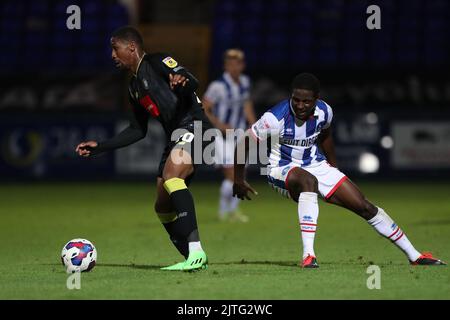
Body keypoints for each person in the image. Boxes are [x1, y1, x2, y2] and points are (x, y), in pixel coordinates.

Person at [232, 73, 446, 268]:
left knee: (365, 207)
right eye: (296, 99)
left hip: (316, 165)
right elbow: (243, 143)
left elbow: (325, 136)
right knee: (308, 182)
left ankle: (415, 255)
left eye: (306, 101)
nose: (300, 105)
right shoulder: (274, 118)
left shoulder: (325, 111)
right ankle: (309, 255)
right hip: (281, 168)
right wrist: (239, 180)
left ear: (316, 99)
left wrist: (333, 168)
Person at [75, 26, 211, 271]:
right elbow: (138, 130)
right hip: (175, 137)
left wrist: (182, 80)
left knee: (172, 176)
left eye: (115, 49)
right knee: (162, 205)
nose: (112, 55)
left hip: (197, 126)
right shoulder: (134, 88)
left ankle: (196, 253)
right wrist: (100, 147)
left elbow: (191, 79)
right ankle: (191, 256)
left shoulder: (158, 62)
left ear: (131, 47)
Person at [202, 49, 256, 222]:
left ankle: (229, 211)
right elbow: (204, 108)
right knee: (231, 175)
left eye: (237, 63)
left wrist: (254, 125)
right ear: (225, 65)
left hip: (241, 135)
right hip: (223, 137)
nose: (234, 66)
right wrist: (220, 125)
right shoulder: (217, 86)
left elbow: (246, 104)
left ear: (242, 65)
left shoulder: (245, 82)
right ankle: (225, 211)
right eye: (230, 63)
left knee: (240, 175)